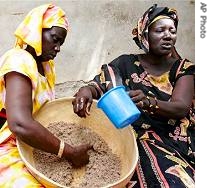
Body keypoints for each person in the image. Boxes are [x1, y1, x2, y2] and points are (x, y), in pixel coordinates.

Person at [72, 4, 195, 188]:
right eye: (160, 30)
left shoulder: (183, 68)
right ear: (145, 35)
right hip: (137, 139)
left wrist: (148, 102)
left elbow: (181, 107)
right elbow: (101, 85)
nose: (168, 35)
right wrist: (86, 91)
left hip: (177, 142)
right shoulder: (125, 63)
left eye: (172, 30)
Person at [0, 3, 92, 187]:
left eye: (61, 43)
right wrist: (69, 152)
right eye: (55, 39)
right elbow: (19, 123)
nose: (58, 48)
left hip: (33, 141)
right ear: (35, 31)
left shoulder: (46, 65)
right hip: (9, 144)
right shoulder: (19, 60)